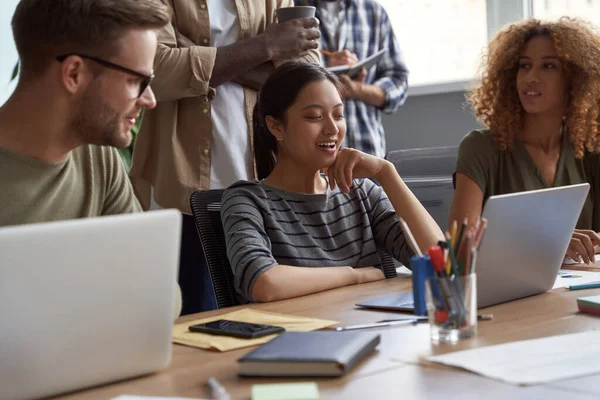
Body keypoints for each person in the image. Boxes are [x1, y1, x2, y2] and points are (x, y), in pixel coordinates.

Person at [130, 0, 321, 314]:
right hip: (183, 193)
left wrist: (205, 58)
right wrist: (266, 46)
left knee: (280, 324)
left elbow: (306, 82)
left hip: (267, 192)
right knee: (194, 330)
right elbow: (156, 71)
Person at [0, 0, 182, 316]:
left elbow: (162, 295)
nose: (149, 100)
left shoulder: (99, 160)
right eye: (137, 80)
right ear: (74, 73)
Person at [221, 61, 442, 303]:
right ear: (276, 126)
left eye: (338, 115)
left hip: (367, 332)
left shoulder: (362, 193)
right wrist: (353, 276)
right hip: (296, 337)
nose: (332, 129)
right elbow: (264, 283)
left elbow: (440, 262)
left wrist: (386, 173)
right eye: (314, 116)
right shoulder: (246, 200)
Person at [449, 17, 600, 264]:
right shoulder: (480, 147)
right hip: (508, 294)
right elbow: (461, 247)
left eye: (548, 66)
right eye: (524, 65)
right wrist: (548, 244)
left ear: (575, 78)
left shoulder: (591, 147)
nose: (531, 76)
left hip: (579, 288)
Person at [296, 0, 409, 157]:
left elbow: (399, 81)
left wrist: (357, 90)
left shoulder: (374, 11)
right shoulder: (292, 10)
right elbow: (283, 85)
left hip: (368, 151)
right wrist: (326, 73)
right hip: (312, 159)